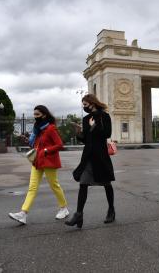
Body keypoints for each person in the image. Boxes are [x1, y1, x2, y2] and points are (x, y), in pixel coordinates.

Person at [9, 105, 69, 224]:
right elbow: (36, 146)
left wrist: (46, 150)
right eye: (34, 114)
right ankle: (23, 213)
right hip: (37, 161)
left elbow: (60, 144)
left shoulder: (51, 128)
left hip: (49, 161)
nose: (35, 116)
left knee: (54, 185)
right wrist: (27, 140)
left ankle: (64, 208)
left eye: (37, 114)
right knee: (32, 187)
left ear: (44, 115)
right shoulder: (38, 130)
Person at [65, 94, 115, 228]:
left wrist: (94, 126)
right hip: (88, 156)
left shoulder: (104, 116)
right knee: (83, 183)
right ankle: (79, 215)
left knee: (106, 184)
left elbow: (107, 134)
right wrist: (78, 132)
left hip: (100, 156)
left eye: (86, 105)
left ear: (92, 103)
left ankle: (111, 210)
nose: (84, 107)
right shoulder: (86, 118)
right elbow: (87, 139)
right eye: (83, 105)